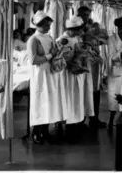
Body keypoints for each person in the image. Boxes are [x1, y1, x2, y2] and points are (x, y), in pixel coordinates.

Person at [27, 11, 66, 144]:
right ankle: (35, 133)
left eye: (49, 25)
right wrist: (50, 55)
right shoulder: (33, 40)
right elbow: (33, 60)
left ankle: (45, 130)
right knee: (39, 102)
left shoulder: (49, 38)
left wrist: (59, 50)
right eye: (45, 25)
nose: (48, 28)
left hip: (50, 74)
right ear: (38, 25)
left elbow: (54, 52)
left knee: (49, 101)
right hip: (39, 75)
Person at [59, 16, 95, 134]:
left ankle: (77, 123)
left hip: (78, 75)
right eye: (79, 30)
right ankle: (67, 125)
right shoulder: (62, 40)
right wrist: (73, 62)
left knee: (77, 99)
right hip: (67, 75)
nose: (81, 32)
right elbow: (61, 59)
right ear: (73, 29)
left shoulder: (76, 39)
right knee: (69, 100)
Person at [78, 5, 106, 129]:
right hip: (82, 63)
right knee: (83, 91)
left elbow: (103, 38)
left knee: (95, 90)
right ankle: (81, 119)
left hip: (94, 62)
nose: (86, 17)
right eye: (84, 15)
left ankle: (94, 118)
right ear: (78, 15)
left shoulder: (93, 26)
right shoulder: (76, 28)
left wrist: (96, 39)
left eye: (87, 15)